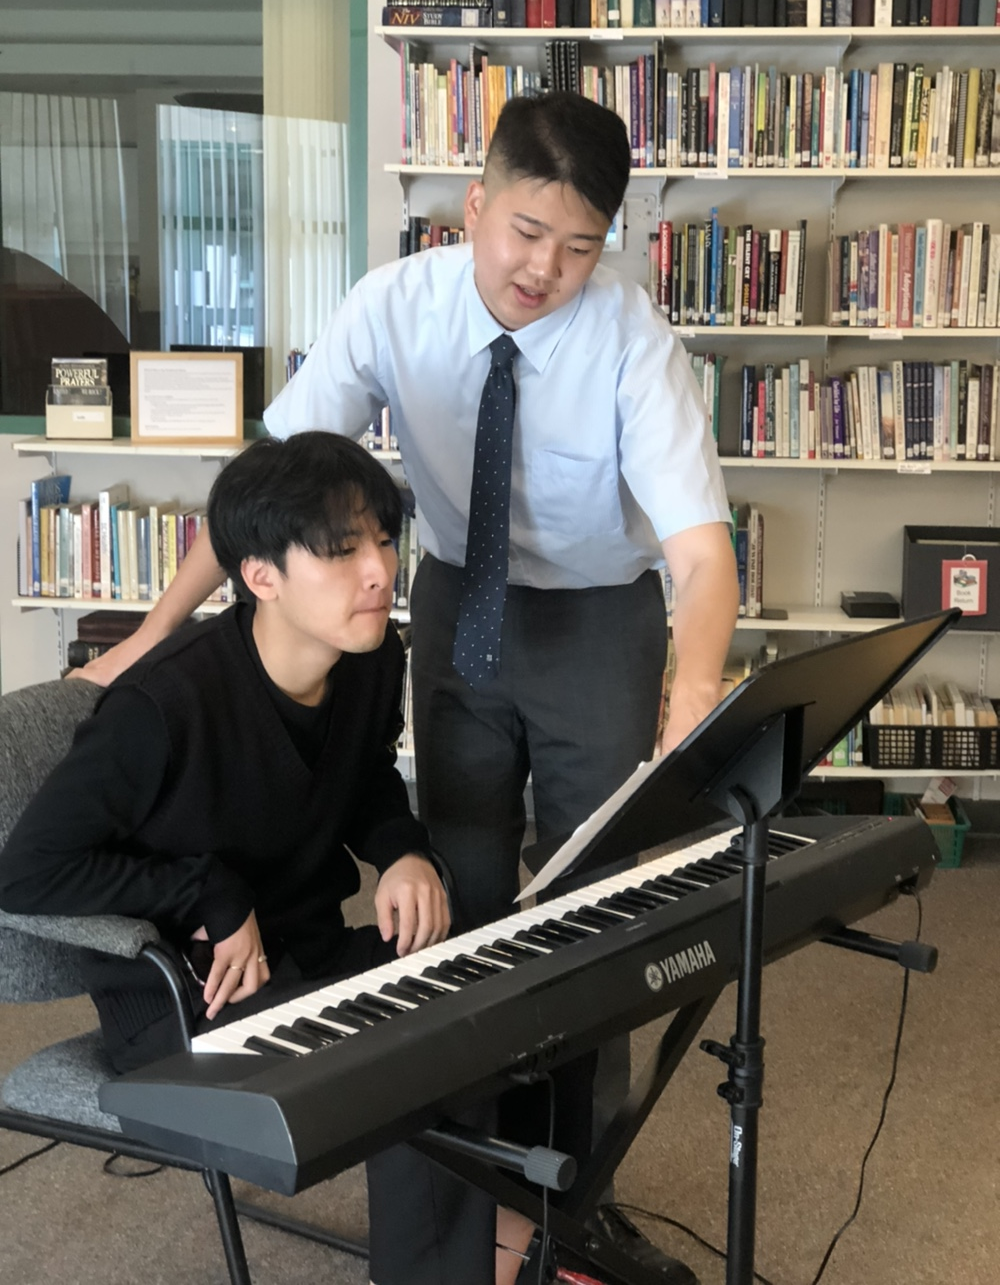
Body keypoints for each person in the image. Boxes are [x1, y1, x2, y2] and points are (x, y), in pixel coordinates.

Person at [73, 90, 739, 1283]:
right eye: (525, 231)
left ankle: (571, 1200)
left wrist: (693, 687)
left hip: (597, 615)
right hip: (458, 602)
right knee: (456, 892)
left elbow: (699, 551)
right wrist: (155, 634)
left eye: (578, 246)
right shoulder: (394, 304)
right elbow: (266, 484)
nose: (544, 268)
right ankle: (477, 1188)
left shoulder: (630, 336)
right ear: (474, 205)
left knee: (590, 908)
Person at [0, 432, 520, 1285]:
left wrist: (402, 851)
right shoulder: (160, 707)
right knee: (412, 1054)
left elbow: (364, 777)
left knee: (492, 974)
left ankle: (498, 1236)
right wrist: (207, 891)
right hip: (185, 1003)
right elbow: (24, 872)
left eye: (383, 539)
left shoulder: (370, 658)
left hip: (306, 951)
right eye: (341, 550)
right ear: (260, 575)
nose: (379, 571)